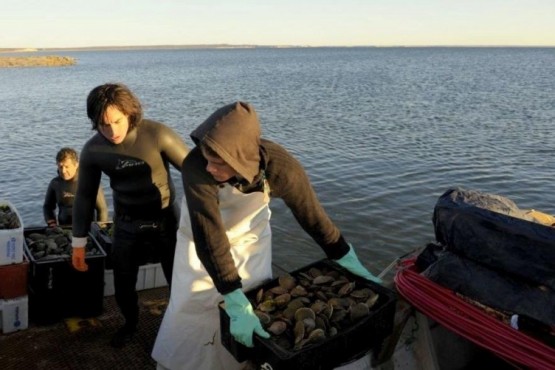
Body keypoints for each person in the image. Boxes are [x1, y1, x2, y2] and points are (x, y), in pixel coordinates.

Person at [152, 102, 382, 370]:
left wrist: (345, 255)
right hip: (200, 244)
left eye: (218, 162)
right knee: (192, 309)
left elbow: (312, 216)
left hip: (251, 241)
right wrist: (232, 297)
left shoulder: (280, 166)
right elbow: (209, 235)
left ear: (240, 159)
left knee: (258, 307)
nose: (210, 167)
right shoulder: (196, 166)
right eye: (207, 158)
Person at [70, 83, 189, 348]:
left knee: (179, 282)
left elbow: (194, 171)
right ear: (94, 122)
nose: (112, 131)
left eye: (117, 121)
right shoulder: (93, 150)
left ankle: (180, 327)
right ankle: (131, 324)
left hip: (165, 220)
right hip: (126, 224)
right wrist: (78, 242)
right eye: (103, 124)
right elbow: (85, 197)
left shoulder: (158, 135)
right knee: (123, 286)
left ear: (130, 113)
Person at [43, 147, 109, 227]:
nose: (63, 171)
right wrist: (51, 223)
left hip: (86, 229)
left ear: (76, 165)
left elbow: (102, 209)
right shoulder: (55, 183)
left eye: (67, 167)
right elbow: (48, 207)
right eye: (60, 167)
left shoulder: (89, 182)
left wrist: (100, 229)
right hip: (64, 228)